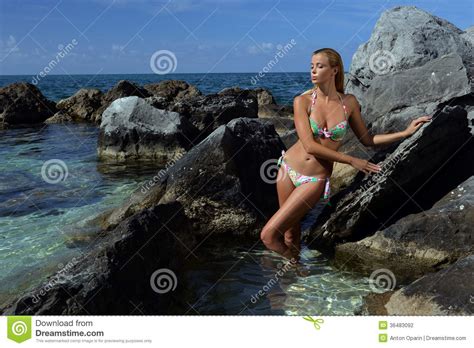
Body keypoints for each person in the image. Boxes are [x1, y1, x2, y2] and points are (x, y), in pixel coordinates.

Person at [260, 47, 432, 261]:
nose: (313, 71)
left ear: (334, 70)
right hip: (287, 169)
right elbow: (309, 145)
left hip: (314, 178)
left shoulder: (349, 103)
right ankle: (291, 285)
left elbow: (368, 140)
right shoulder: (301, 101)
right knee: (290, 233)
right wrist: (351, 160)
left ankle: (298, 271)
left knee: (268, 236)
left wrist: (405, 132)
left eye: (319, 66)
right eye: (311, 66)